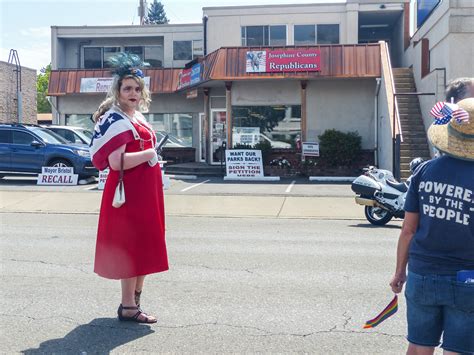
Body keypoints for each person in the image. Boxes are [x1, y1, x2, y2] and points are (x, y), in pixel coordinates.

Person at [390, 98, 474, 354]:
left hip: (423, 273)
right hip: (467, 278)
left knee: (419, 345)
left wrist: (399, 272)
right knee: (458, 350)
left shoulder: (424, 172)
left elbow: (408, 230)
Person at [89, 53, 168, 324]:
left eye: (137, 88)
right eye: (127, 88)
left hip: (145, 192)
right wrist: (148, 155)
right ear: (118, 92)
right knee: (131, 246)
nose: (133, 93)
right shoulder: (116, 119)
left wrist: (150, 157)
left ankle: (134, 302)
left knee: (144, 244)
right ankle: (127, 306)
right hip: (129, 193)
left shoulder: (137, 117)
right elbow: (115, 162)